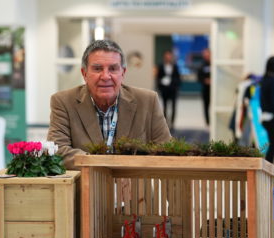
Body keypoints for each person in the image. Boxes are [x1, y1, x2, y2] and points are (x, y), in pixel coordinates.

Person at [48, 40, 171, 169]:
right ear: (84, 73)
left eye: (113, 68)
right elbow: (58, 150)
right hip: (86, 187)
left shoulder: (147, 101)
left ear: (123, 73)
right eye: (97, 68)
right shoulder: (63, 102)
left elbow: (166, 151)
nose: (106, 76)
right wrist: (104, 166)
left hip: (133, 187)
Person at [260, 56, 274, 163]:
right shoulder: (273, 81)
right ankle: (272, 174)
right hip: (272, 119)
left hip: (265, 118)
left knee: (271, 146)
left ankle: (271, 174)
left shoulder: (264, 80)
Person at [156, 50, 181, 131]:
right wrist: (160, 86)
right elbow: (158, 78)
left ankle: (173, 124)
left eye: (169, 56)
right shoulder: (160, 66)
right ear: (164, 57)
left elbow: (178, 78)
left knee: (173, 106)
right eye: (166, 56)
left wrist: (175, 85)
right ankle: (166, 123)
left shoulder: (175, 66)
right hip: (164, 89)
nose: (168, 57)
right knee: (165, 106)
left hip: (173, 89)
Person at [197, 48, 211, 126]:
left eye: (207, 54)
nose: (206, 56)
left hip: (214, 90)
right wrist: (205, 80)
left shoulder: (214, 64)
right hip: (205, 89)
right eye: (204, 54)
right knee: (206, 105)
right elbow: (199, 77)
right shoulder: (201, 65)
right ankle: (207, 122)